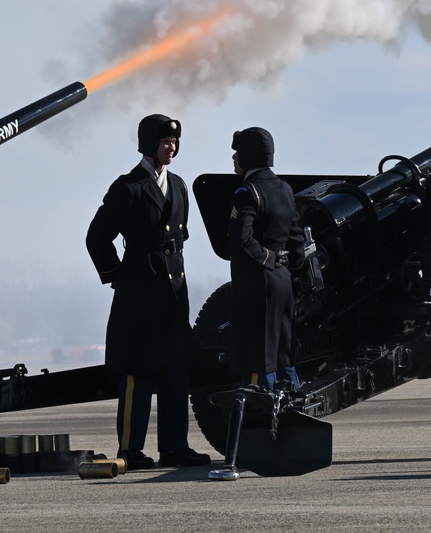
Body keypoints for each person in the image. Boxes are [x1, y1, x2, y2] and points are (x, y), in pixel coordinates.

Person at [86, 114, 210, 470]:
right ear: (148, 144)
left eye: (175, 142)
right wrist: (118, 276)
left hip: (173, 293)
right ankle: (130, 449)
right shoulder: (129, 187)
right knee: (136, 372)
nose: (171, 147)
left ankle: (174, 447)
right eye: (165, 141)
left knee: (175, 371)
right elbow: (97, 237)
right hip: (139, 293)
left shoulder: (181, 186)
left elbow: (179, 239)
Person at [227, 127, 306, 390]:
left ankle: (260, 421)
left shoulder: (247, 193)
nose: (234, 158)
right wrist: (290, 268)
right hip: (283, 283)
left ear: (248, 156)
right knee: (283, 356)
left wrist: (267, 259)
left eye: (237, 153)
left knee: (258, 361)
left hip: (257, 286)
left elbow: (243, 240)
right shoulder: (285, 189)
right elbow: (296, 243)